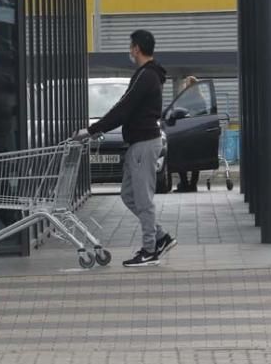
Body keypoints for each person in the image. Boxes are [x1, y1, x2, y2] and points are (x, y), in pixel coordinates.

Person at [76, 30, 175, 267]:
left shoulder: (146, 76)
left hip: (143, 144)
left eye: (131, 46)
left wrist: (91, 130)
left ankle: (150, 250)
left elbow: (124, 108)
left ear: (137, 48)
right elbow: (126, 108)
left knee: (142, 199)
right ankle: (160, 236)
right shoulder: (147, 75)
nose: (129, 50)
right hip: (138, 144)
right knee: (128, 195)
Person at [175, 76, 201, 193]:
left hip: (186, 131)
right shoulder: (201, 98)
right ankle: (192, 184)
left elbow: (179, 111)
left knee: (181, 157)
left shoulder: (186, 98)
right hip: (196, 132)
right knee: (195, 159)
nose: (185, 85)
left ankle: (185, 183)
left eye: (186, 83)